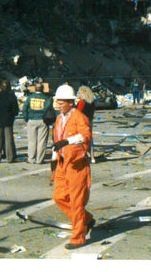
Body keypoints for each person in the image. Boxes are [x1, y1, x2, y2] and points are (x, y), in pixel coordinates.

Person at [51, 84, 94, 250]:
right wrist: (54, 160)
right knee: (59, 196)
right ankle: (86, 219)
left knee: (76, 201)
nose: (58, 105)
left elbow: (85, 136)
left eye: (61, 102)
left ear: (70, 102)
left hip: (77, 163)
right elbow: (57, 140)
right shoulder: (59, 118)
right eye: (57, 102)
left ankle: (78, 237)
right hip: (63, 162)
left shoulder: (79, 117)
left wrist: (68, 141)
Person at [22, 82, 51, 165]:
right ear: (42, 89)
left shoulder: (30, 97)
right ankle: (39, 159)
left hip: (31, 119)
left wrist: (26, 118)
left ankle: (31, 158)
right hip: (42, 120)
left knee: (32, 140)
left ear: (35, 89)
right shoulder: (46, 98)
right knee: (41, 141)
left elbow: (25, 108)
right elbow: (48, 108)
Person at [0, 80, 19, 163]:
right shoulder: (12, 96)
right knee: (8, 140)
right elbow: (16, 110)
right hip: (8, 120)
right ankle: (9, 157)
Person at [76, 85, 96, 163]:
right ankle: (92, 156)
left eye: (79, 93)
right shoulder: (92, 103)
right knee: (90, 139)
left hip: (82, 122)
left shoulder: (81, 102)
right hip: (90, 121)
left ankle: (82, 155)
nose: (78, 94)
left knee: (81, 139)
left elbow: (78, 112)